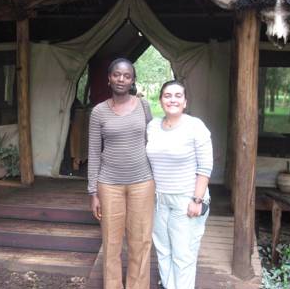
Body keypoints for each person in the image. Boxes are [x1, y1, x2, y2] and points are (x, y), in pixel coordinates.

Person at [87, 58, 154, 289]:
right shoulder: (98, 112)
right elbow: (94, 153)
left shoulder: (144, 107)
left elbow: (152, 143)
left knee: (140, 241)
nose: (121, 79)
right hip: (109, 185)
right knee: (111, 243)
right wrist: (93, 192)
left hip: (142, 183)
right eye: (117, 74)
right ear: (109, 78)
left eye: (127, 75)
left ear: (133, 80)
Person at [146, 80, 213, 289]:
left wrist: (197, 199)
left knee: (183, 255)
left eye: (177, 96)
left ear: (185, 102)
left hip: (187, 198)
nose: (172, 99)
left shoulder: (195, 126)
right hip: (159, 200)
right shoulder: (152, 126)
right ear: (161, 100)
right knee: (163, 250)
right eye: (167, 95)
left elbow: (205, 166)